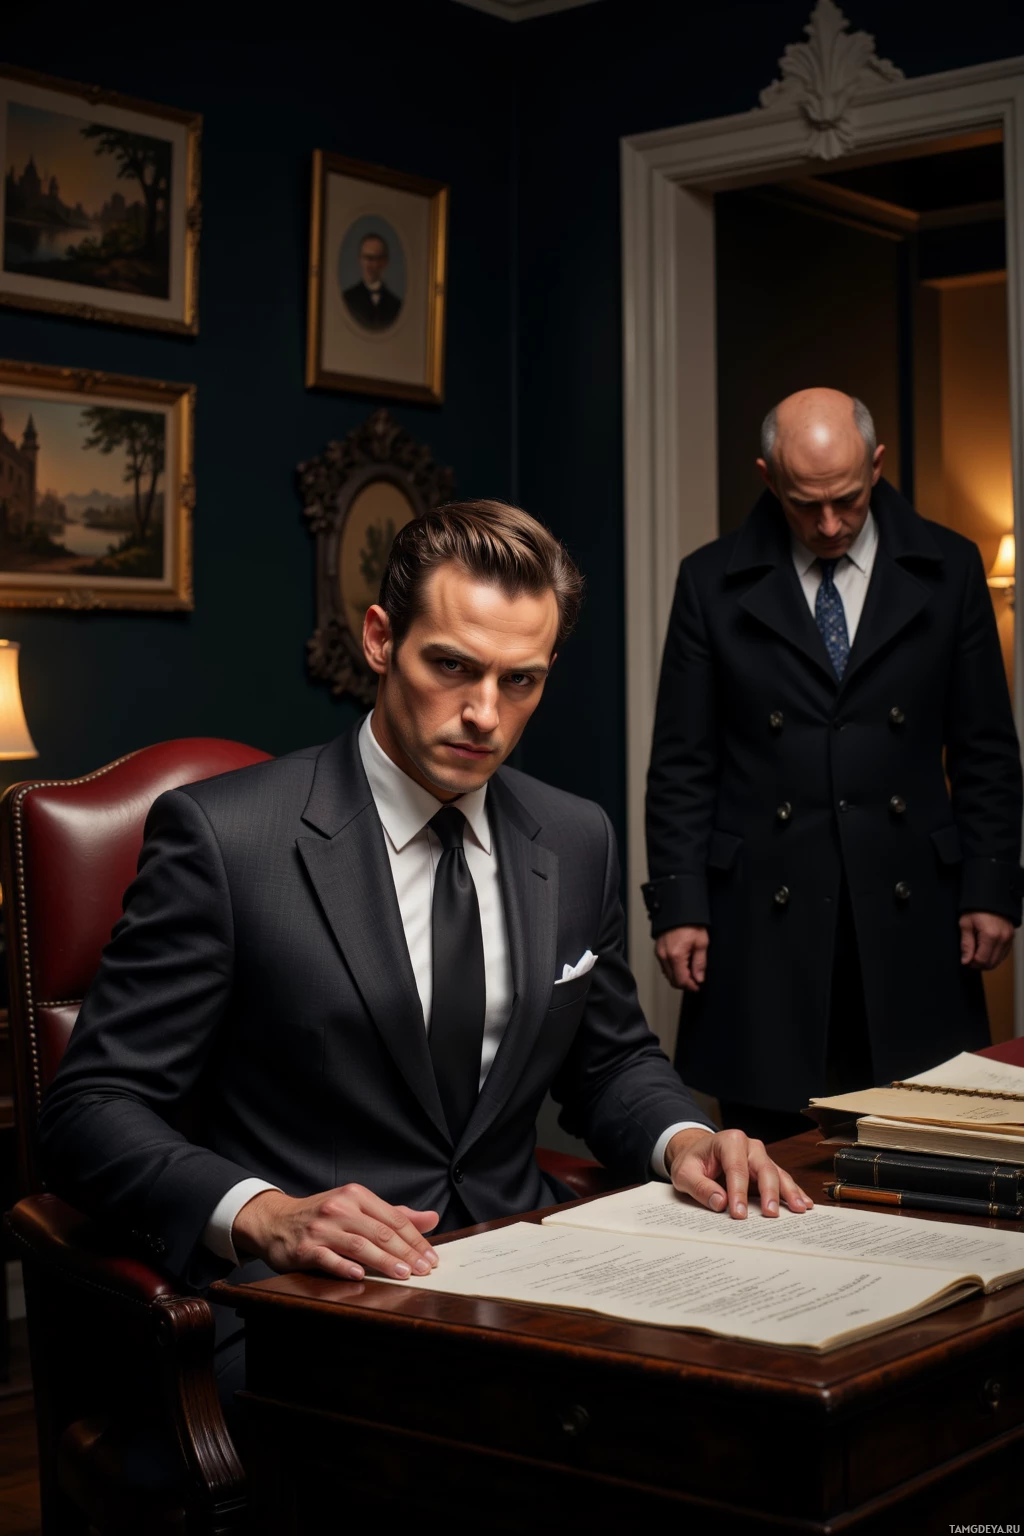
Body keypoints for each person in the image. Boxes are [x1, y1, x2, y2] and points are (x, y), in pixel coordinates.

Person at [39, 500, 812, 1414]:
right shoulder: (227, 840)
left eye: (519, 682)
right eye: (451, 666)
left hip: (533, 1281)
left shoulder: (574, 837)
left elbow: (610, 1065)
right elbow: (90, 1111)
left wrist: (686, 1140)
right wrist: (263, 1213)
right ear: (379, 639)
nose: (483, 714)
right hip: (312, 1313)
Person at [645, 388, 1023, 1145]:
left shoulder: (949, 567)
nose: (827, 525)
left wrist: (991, 885)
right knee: (768, 1158)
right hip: (763, 919)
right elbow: (684, 762)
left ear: (876, 466)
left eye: (846, 501)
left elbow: (984, 747)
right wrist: (682, 904)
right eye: (803, 504)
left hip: (912, 906)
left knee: (926, 1142)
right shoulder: (709, 582)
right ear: (768, 478)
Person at [342, 231, 402, 330]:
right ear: (360, 260)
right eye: (369, 258)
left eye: (378, 258)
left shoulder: (396, 305)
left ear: (385, 261)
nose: (374, 265)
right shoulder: (347, 300)